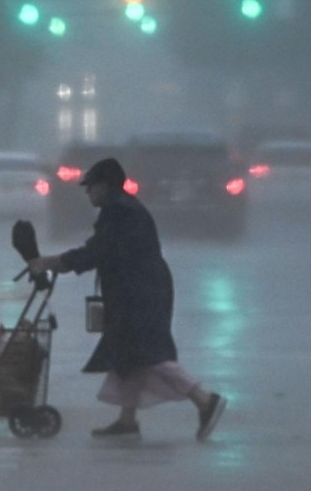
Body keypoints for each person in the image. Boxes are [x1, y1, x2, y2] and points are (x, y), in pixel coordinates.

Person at [27, 157, 227, 441]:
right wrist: (58, 262)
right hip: (137, 289)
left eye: (91, 187)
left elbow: (97, 251)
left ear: (105, 186)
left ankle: (205, 400)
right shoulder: (119, 209)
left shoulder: (120, 212)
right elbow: (100, 251)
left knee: (148, 352)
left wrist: (52, 262)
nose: (88, 193)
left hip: (140, 292)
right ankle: (127, 420)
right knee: (129, 354)